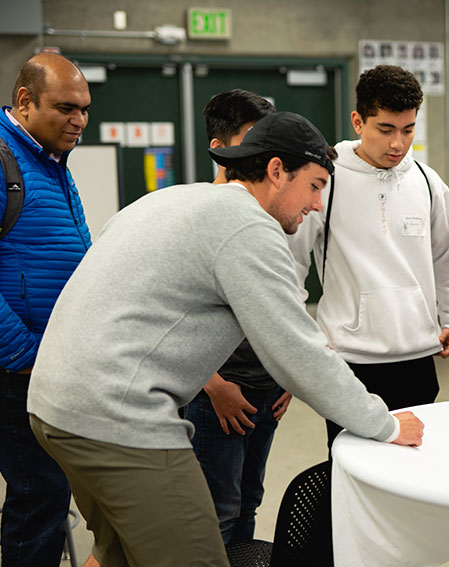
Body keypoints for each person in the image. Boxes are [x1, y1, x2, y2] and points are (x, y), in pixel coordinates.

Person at [26, 111, 424, 567]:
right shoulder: (248, 226)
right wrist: (385, 424)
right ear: (276, 171)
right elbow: (297, 352)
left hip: (53, 406)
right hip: (118, 415)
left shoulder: (174, 199)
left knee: (118, 554)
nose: (317, 204)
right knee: (200, 556)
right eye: (314, 185)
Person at [288, 65, 449, 450]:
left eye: (408, 130)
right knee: (352, 472)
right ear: (358, 121)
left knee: (412, 473)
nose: (398, 144)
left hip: (418, 357)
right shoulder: (327, 180)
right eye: (385, 129)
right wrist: (301, 344)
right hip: (349, 362)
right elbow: (292, 266)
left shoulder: (427, 181)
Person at [0, 52, 91, 566]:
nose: (79, 120)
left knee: (48, 492)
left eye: (85, 109)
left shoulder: (50, 163)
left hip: (46, 359)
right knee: (39, 494)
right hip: (9, 362)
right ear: (24, 100)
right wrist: (22, 353)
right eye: (66, 108)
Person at [184, 89, 290, 546]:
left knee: (249, 502)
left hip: (266, 391)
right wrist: (214, 385)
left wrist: (287, 375)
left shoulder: (264, 217)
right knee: (217, 511)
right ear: (222, 148)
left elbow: (278, 308)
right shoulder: (197, 216)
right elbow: (181, 317)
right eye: (253, 140)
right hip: (218, 396)